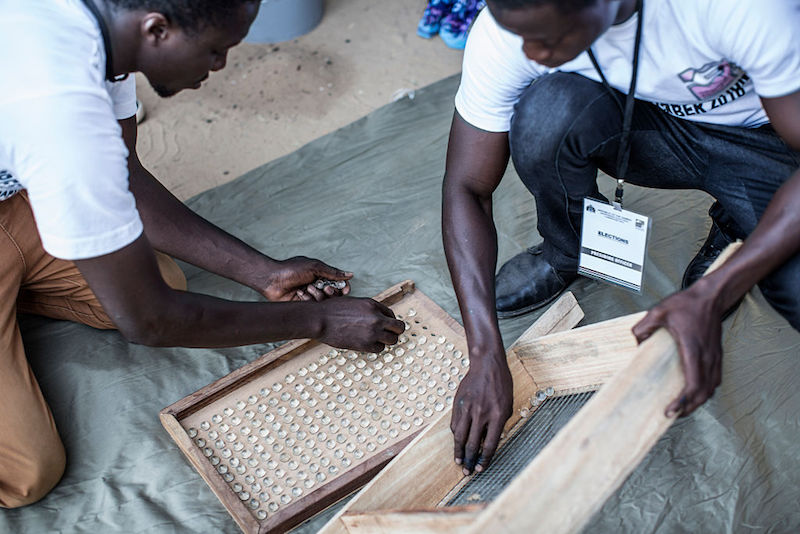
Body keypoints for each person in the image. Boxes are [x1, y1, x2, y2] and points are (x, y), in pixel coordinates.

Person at [0, 0, 404, 508]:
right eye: (216, 50)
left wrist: (264, 273)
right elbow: (149, 323)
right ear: (157, 29)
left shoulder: (101, 30)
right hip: (39, 163)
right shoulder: (58, 110)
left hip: (15, 191)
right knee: (27, 472)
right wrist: (318, 321)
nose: (220, 67)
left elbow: (120, 173)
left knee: (165, 284)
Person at [442, 0, 800, 475]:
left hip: (769, 140)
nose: (534, 53)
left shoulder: (736, 8)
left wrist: (716, 291)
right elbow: (466, 186)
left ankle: (738, 227)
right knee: (546, 114)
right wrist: (485, 351)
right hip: (648, 125)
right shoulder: (511, 29)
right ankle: (571, 249)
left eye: (549, 38)